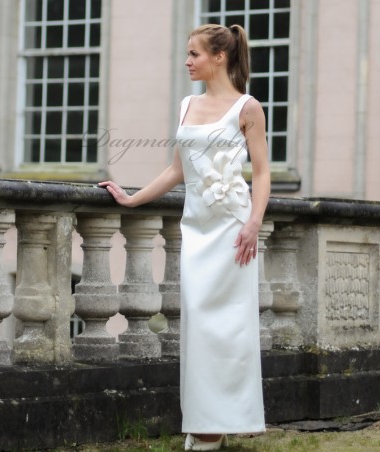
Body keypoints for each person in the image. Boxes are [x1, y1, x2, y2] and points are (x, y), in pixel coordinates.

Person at [99, 23, 270, 451]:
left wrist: (254, 223)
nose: (187, 61)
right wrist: (133, 199)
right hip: (196, 229)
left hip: (234, 231)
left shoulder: (248, 108)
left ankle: (217, 424)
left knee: (229, 328)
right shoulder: (186, 105)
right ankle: (203, 418)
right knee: (197, 325)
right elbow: (178, 170)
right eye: (187, 53)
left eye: (194, 54)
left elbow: (263, 173)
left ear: (220, 58)